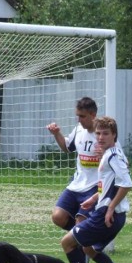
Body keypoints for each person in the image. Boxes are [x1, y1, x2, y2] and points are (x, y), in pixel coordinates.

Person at [60, 116, 132, 263]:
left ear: (114, 135)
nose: (101, 137)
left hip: (107, 215)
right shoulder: (110, 154)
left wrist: (109, 208)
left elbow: (126, 184)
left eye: (105, 134)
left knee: (67, 243)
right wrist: (94, 198)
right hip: (113, 214)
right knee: (88, 249)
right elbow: (110, 183)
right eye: (98, 133)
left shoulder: (113, 156)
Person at [46, 97, 102, 231]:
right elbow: (67, 147)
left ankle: (81, 238)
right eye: (78, 116)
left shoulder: (104, 134)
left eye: (82, 116)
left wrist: (105, 155)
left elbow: (119, 158)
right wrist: (56, 133)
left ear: (93, 115)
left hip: (94, 186)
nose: (79, 120)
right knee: (58, 217)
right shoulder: (78, 129)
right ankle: (83, 236)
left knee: (80, 224)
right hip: (77, 183)